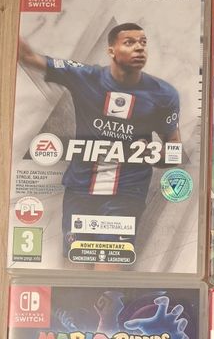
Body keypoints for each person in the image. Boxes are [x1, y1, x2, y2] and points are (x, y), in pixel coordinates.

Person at [18, 24, 181, 256]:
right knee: (76, 261)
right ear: (111, 50)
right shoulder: (85, 76)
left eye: (143, 42)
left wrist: (153, 154)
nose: (139, 48)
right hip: (80, 189)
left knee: (110, 262)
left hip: (127, 193)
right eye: (130, 42)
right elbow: (28, 57)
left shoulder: (163, 94)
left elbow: (174, 152)